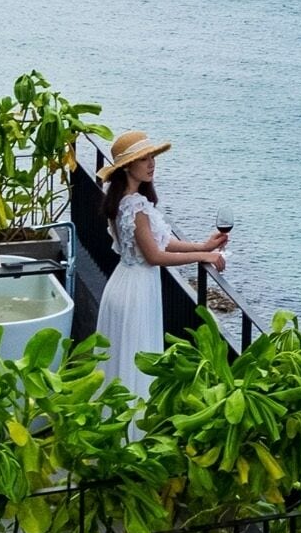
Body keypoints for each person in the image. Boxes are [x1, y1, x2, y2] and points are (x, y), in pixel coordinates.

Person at [93, 131, 227, 402]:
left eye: (152, 157)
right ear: (128, 166)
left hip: (124, 283)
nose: (151, 163)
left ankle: (117, 425)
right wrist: (202, 257)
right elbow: (155, 256)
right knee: (137, 356)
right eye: (144, 159)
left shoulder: (121, 201)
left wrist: (203, 246)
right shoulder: (135, 206)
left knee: (122, 357)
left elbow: (162, 243)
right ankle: (134, 428)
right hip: (137, 289)